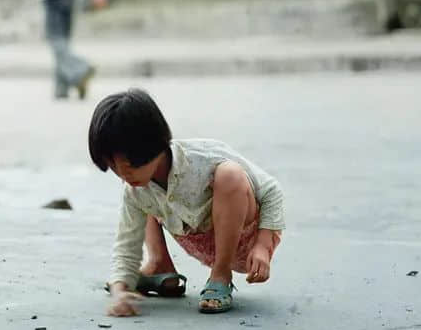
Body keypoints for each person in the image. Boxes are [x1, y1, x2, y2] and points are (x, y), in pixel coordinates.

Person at [88, 88, 285, 316]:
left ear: (151, 148)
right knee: (141, 192)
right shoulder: (135, 186)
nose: (123, 176)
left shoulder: (205, 158)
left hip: (243, 241)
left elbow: (272, 191)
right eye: (114, 169)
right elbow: (126, 243)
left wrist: (263, 245)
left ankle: (220, 276)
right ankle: (160, 264)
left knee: (229, 175)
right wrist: (120, 291)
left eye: (129, 166)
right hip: (196, 240)